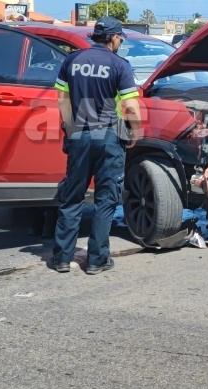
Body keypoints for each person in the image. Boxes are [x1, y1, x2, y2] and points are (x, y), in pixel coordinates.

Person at [50, 17, 144, 274]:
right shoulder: (119, 65)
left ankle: (61, 258)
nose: (121, 41)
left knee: (72, 196)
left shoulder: (72, 60)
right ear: (112, 37)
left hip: (78, 135)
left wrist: (70, 129)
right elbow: (131, 106)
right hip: (109, 137)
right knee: (105, 198)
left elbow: (62, 99)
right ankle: (96, 260)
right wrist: (135, 131)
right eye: (120, 37)